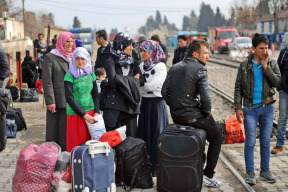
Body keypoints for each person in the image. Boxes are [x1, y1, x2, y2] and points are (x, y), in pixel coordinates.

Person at [161, 39, 222, 187]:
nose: (207, 56)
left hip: (177, 116)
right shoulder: (200, 69)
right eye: (205, 53)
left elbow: (164, 92)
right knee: (217, 138)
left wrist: (175, 106)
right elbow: (206, 98)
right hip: (193, 117)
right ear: (195, 54)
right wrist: (206, 112)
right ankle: (208, 174)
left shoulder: (174, 67)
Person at [234, 33, 280, 184]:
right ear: (253, 48)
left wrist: (266, 67)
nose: (264, 51)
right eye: (261, 48)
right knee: (250, 142)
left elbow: (278, 83)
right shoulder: (244, 65)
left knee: (266, 141)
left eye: (266, 48)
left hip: (267, 108)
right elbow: (238, 87)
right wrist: (238, 107)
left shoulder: (272, 64)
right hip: (250, 109)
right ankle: (250, 172)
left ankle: (265, 171)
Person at [101, 32, 141, 137]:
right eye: (129, 45)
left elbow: (141, 81)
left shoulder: (134, 62)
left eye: (132, 45)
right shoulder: (111, 61)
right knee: (115, 142)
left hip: (130, 108)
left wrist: (121, 80)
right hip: (115, 109)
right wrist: (132, 80)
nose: (132, 48)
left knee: (131, 143)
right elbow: (113, 82)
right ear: (121, 45)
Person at [138, 40, 169, 176]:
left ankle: (157, 169)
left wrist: (143, 84)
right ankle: (146, 168)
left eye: (145, 50)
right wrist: (145, 85)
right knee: (145, 135)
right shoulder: (140, 65)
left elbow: (151, 86)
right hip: (145, 103)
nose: (143, 53)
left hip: (157, 104)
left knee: (157, 136)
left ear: (152, 51)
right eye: (142, 50)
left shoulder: (161, 66)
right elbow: (140, 87)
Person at [42, 31, 76, 151]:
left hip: (73, 102)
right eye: (67, 41)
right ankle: (52, 159)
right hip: (57, 101)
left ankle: (67, 159)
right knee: (55, 133)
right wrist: (50, 101)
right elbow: (47, 81)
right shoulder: (50, 57)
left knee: (68, 134)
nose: (70, 44)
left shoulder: (74, 58)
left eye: (72, 41)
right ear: (61, 41)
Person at [64, 47, 100, 152]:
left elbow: (96, 95)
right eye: (77, 58)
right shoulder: (69, 75)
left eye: (83, 58)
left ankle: (90, 168)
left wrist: (97, 112)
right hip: (76, 115)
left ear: (87, 59)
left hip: (91, 113)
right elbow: (69, 98)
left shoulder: (91, 74)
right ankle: (75, 168)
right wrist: (84, 115)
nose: (80, 61)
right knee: (76, 146)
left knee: (91, 147)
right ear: (73, 59)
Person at [271, 46, 288, 154]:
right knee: (282, 118)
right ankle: (280, 144)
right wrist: (280, 88)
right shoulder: (284, 53)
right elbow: (277, 71)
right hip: (285, 92)